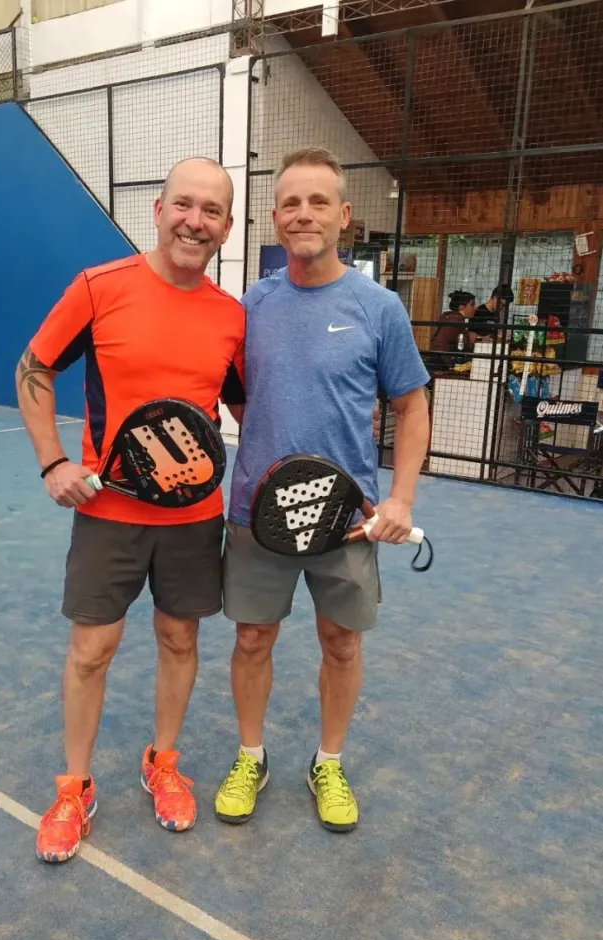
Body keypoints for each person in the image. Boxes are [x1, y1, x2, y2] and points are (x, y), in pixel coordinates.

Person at [16, 157, 245, 863]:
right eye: (184, 205)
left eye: (211, 211)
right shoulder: (99, 287)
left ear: (227, 228)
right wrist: (54, 462)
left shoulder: (231, 317)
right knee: (92, 651)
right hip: (108, 514)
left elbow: (249, 409)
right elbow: (33, 366)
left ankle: (163, 762)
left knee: (179, 640)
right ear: (158, 210)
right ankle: (74, 787)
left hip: (194, 520)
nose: (194, 221)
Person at [214, 147, 431, 833]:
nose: (303, 214)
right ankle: (251, 757)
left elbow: (411, 406)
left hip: (347, 520)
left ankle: (327, 763)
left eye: (317, 202)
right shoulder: (250, 306)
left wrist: (400, 499)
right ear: (275, 217)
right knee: (253, 638)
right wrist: (269, 448)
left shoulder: (378, 307)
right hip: (256, 514)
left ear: (343, 216)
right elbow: (238, 393)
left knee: (341, 643)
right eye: (290, 203)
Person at [428, 290, 476, 373]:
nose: (474, 308)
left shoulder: (452, 318)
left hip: (438, 363)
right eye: (472, 305)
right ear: (462, 307)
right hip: (441, 366)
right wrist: (451, 365)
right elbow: (440, 343)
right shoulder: (456, 320)